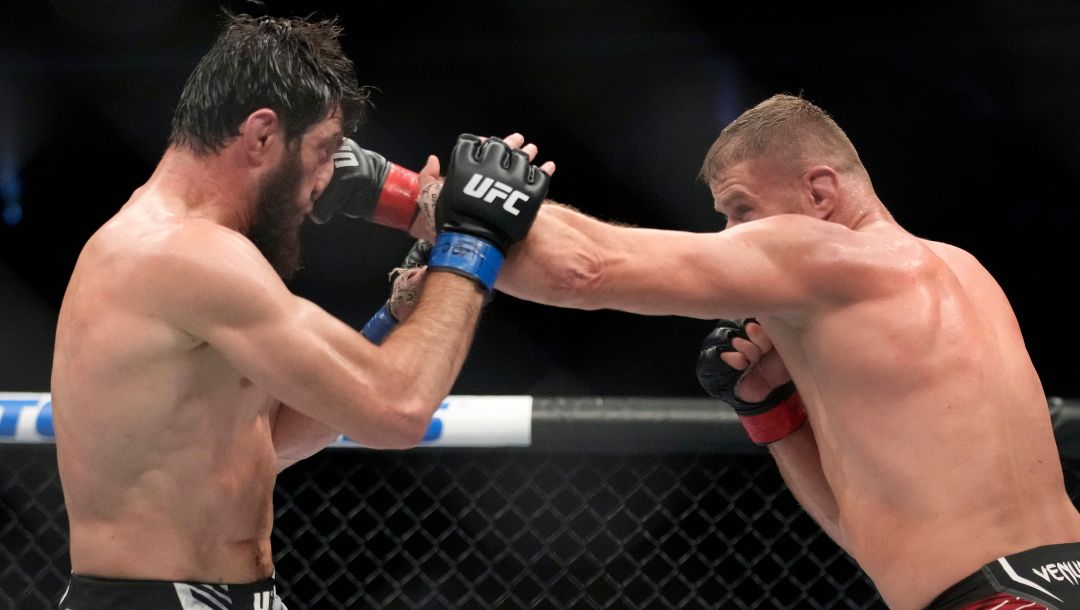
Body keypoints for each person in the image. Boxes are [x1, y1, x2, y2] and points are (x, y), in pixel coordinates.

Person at [392, 93, 1080, 609]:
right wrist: (775, 414)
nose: (730, 236)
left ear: (820, 193)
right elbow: (873, 534)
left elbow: (588, 269)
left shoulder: (822, 253)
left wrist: (421, 200)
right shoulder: (964, 270)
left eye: (742, 211)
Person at [49, 10, 551, 610]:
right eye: (323, 151)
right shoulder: (183, 253)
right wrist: (473, 242)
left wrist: (397, 316)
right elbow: (397, 410)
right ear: (262, 135)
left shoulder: (184, 249)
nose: (326, 179)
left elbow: (274, 439)